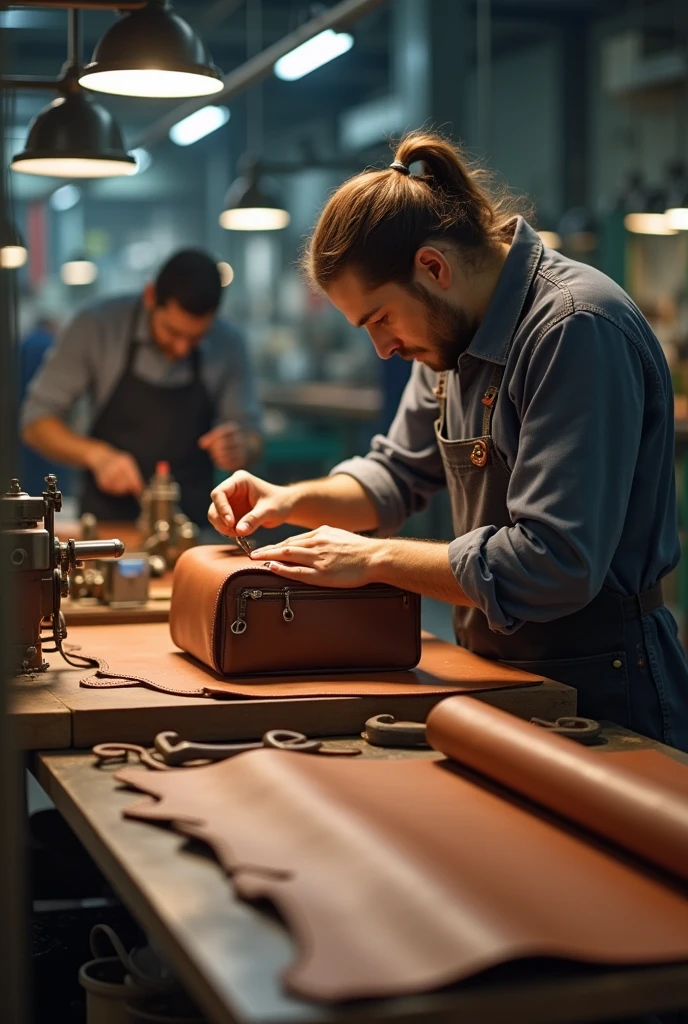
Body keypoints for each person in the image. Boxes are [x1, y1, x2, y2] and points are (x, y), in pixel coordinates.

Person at [207, 131, 688, 752]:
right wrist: (288, 500)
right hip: (496, 666)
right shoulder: (448, 339)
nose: (382, 347)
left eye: (380, 318)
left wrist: (374, 559)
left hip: (606, 681)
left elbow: (553, 563)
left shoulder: (572, 328)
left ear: (433, 267)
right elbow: (395, 475)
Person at [22, 249, 262, 525]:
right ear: (150, 297)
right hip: (107, 525)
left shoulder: (229, 344)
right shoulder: (96, 327)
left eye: (196, 338)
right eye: (172, 332)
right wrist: (96, 455)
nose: (182, 348)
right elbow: (35, 423)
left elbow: (253, 437)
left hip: (194, 524)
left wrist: (242, 447)